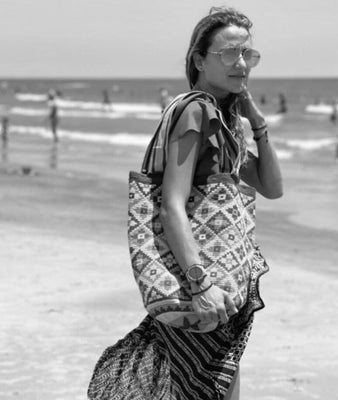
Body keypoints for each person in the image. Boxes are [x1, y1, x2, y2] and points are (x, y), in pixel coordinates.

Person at [88, 7, 283, 400]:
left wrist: (257, 122)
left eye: (248, 53)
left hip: (219, 287)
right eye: (229, 53)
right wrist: (201, 285)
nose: (241, 63)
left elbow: (271, 186)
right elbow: (171, 205)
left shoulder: (225, 121)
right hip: (203, 285)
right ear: (199, 60)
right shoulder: (197, 110)